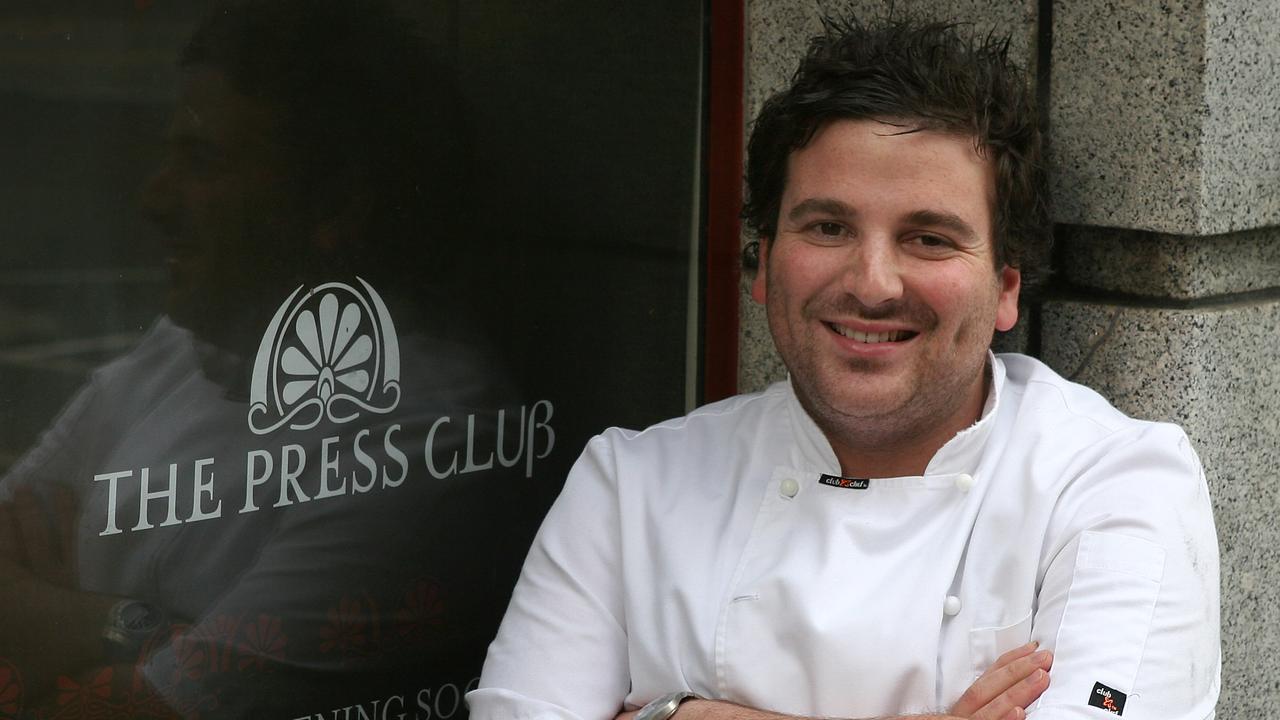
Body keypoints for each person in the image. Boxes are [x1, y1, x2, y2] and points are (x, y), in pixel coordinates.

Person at [468, 14, 1220, 720]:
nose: (871, 283)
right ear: (762, 263)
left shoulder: (1115, 483)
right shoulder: (631, 488)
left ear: (1006, 288)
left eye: (928, 238)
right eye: (828, 227)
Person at [0, 1, 544, 716]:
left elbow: (139, 714)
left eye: (203, 161)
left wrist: (53, 619)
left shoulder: (428, 435)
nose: (153, 198)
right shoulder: (180, 347)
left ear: (337, 205)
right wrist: (133, 629)